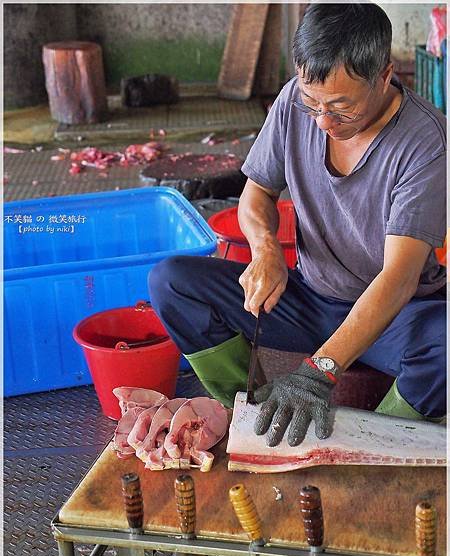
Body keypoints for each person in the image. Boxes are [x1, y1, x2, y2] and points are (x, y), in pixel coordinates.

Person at [149, 3, 446, 447]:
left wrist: (318, 372)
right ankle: (251, 415)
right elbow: (256, 194)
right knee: (172, 282)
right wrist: (266, 249)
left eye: (342, 109)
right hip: (309, 297)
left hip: (396, 315)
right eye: (314, 105)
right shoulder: (294, 99)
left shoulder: (427, 144)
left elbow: (398, 279)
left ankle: (366, 443)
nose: (324, 121)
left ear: (384, 76)